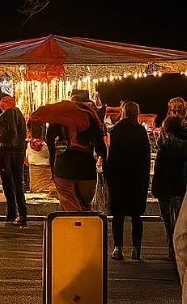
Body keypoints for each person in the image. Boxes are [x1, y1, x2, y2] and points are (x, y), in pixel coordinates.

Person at [39, 89, 107, 211]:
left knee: (70, 208)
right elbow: (100, 145)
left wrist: (53, 161)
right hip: (86, 167)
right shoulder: (91, 116)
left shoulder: (60, 114)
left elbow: (49, 139)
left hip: (63, 167)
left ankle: (74, 228)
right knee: (85, 207)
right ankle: (86, 228)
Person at [106, 101, 151, 261]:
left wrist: (109, 177)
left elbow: (111, 156)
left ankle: (118, 247)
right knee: (136, 217)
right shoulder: (141, 131)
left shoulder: (116, 130)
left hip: (119, 178)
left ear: (123, 112)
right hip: (137, 178)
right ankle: (136, 249)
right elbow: (146, 157)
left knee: (118, 216)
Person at [153, 98, 187, 261]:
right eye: (174, 108)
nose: (176, 111)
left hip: (176, 182)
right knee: (169, 219)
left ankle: (174, 248)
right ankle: (172, 248)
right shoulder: (165, 130)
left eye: (179, 108)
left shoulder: (173, 132)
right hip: (171, 182)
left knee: (176, 219)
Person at [0, 95, 28, 226]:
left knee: (8, 183)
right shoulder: (20, 115)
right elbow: (22, 134)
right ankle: (22, 214)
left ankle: (12, 214)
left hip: (7, 151)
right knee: (18, 183)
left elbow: (9, 132)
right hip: (18, 152)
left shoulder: (8, 114)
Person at [27, 121, 55, 196]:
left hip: (34, 175)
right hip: (46, 175)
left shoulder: (28, 145)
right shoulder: (46, 145)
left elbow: (26, 160)